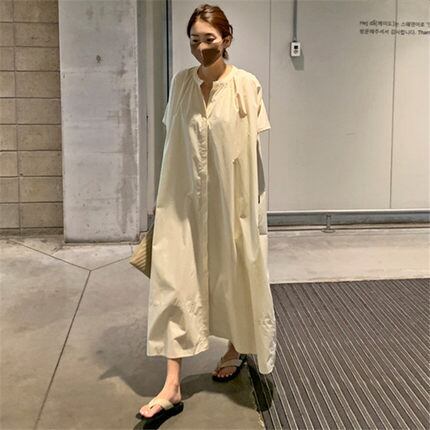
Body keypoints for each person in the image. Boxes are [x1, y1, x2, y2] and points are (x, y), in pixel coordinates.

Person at [137, 3, 277, 425]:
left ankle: (235, 348)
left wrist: (249, 212)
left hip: (231, 202)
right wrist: (163, 202)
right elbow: (173, 148)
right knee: (174, 282)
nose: (201, 47)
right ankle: (172, 385)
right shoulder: (181, 83)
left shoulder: (246, 85)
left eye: (209, 39)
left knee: (233, 275)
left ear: (227, 39)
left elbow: (250, 156)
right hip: (183, 203)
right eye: (195, 40)